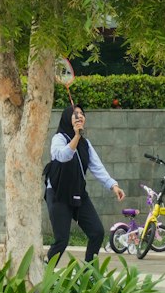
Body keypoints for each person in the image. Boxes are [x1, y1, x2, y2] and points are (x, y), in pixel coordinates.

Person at [44, 103, 125, 263]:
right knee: (62, 240)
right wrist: (76, 136)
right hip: (58, 194)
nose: (79, 116)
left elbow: (97, 166)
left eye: (82, 113)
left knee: (97, 232)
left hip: (78, 193)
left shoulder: (85, 144)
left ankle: (89, 272)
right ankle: (46, 272)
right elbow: (62, 156)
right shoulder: (58, 138)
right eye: (75, 114)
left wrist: (113, 185)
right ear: (67, 118)